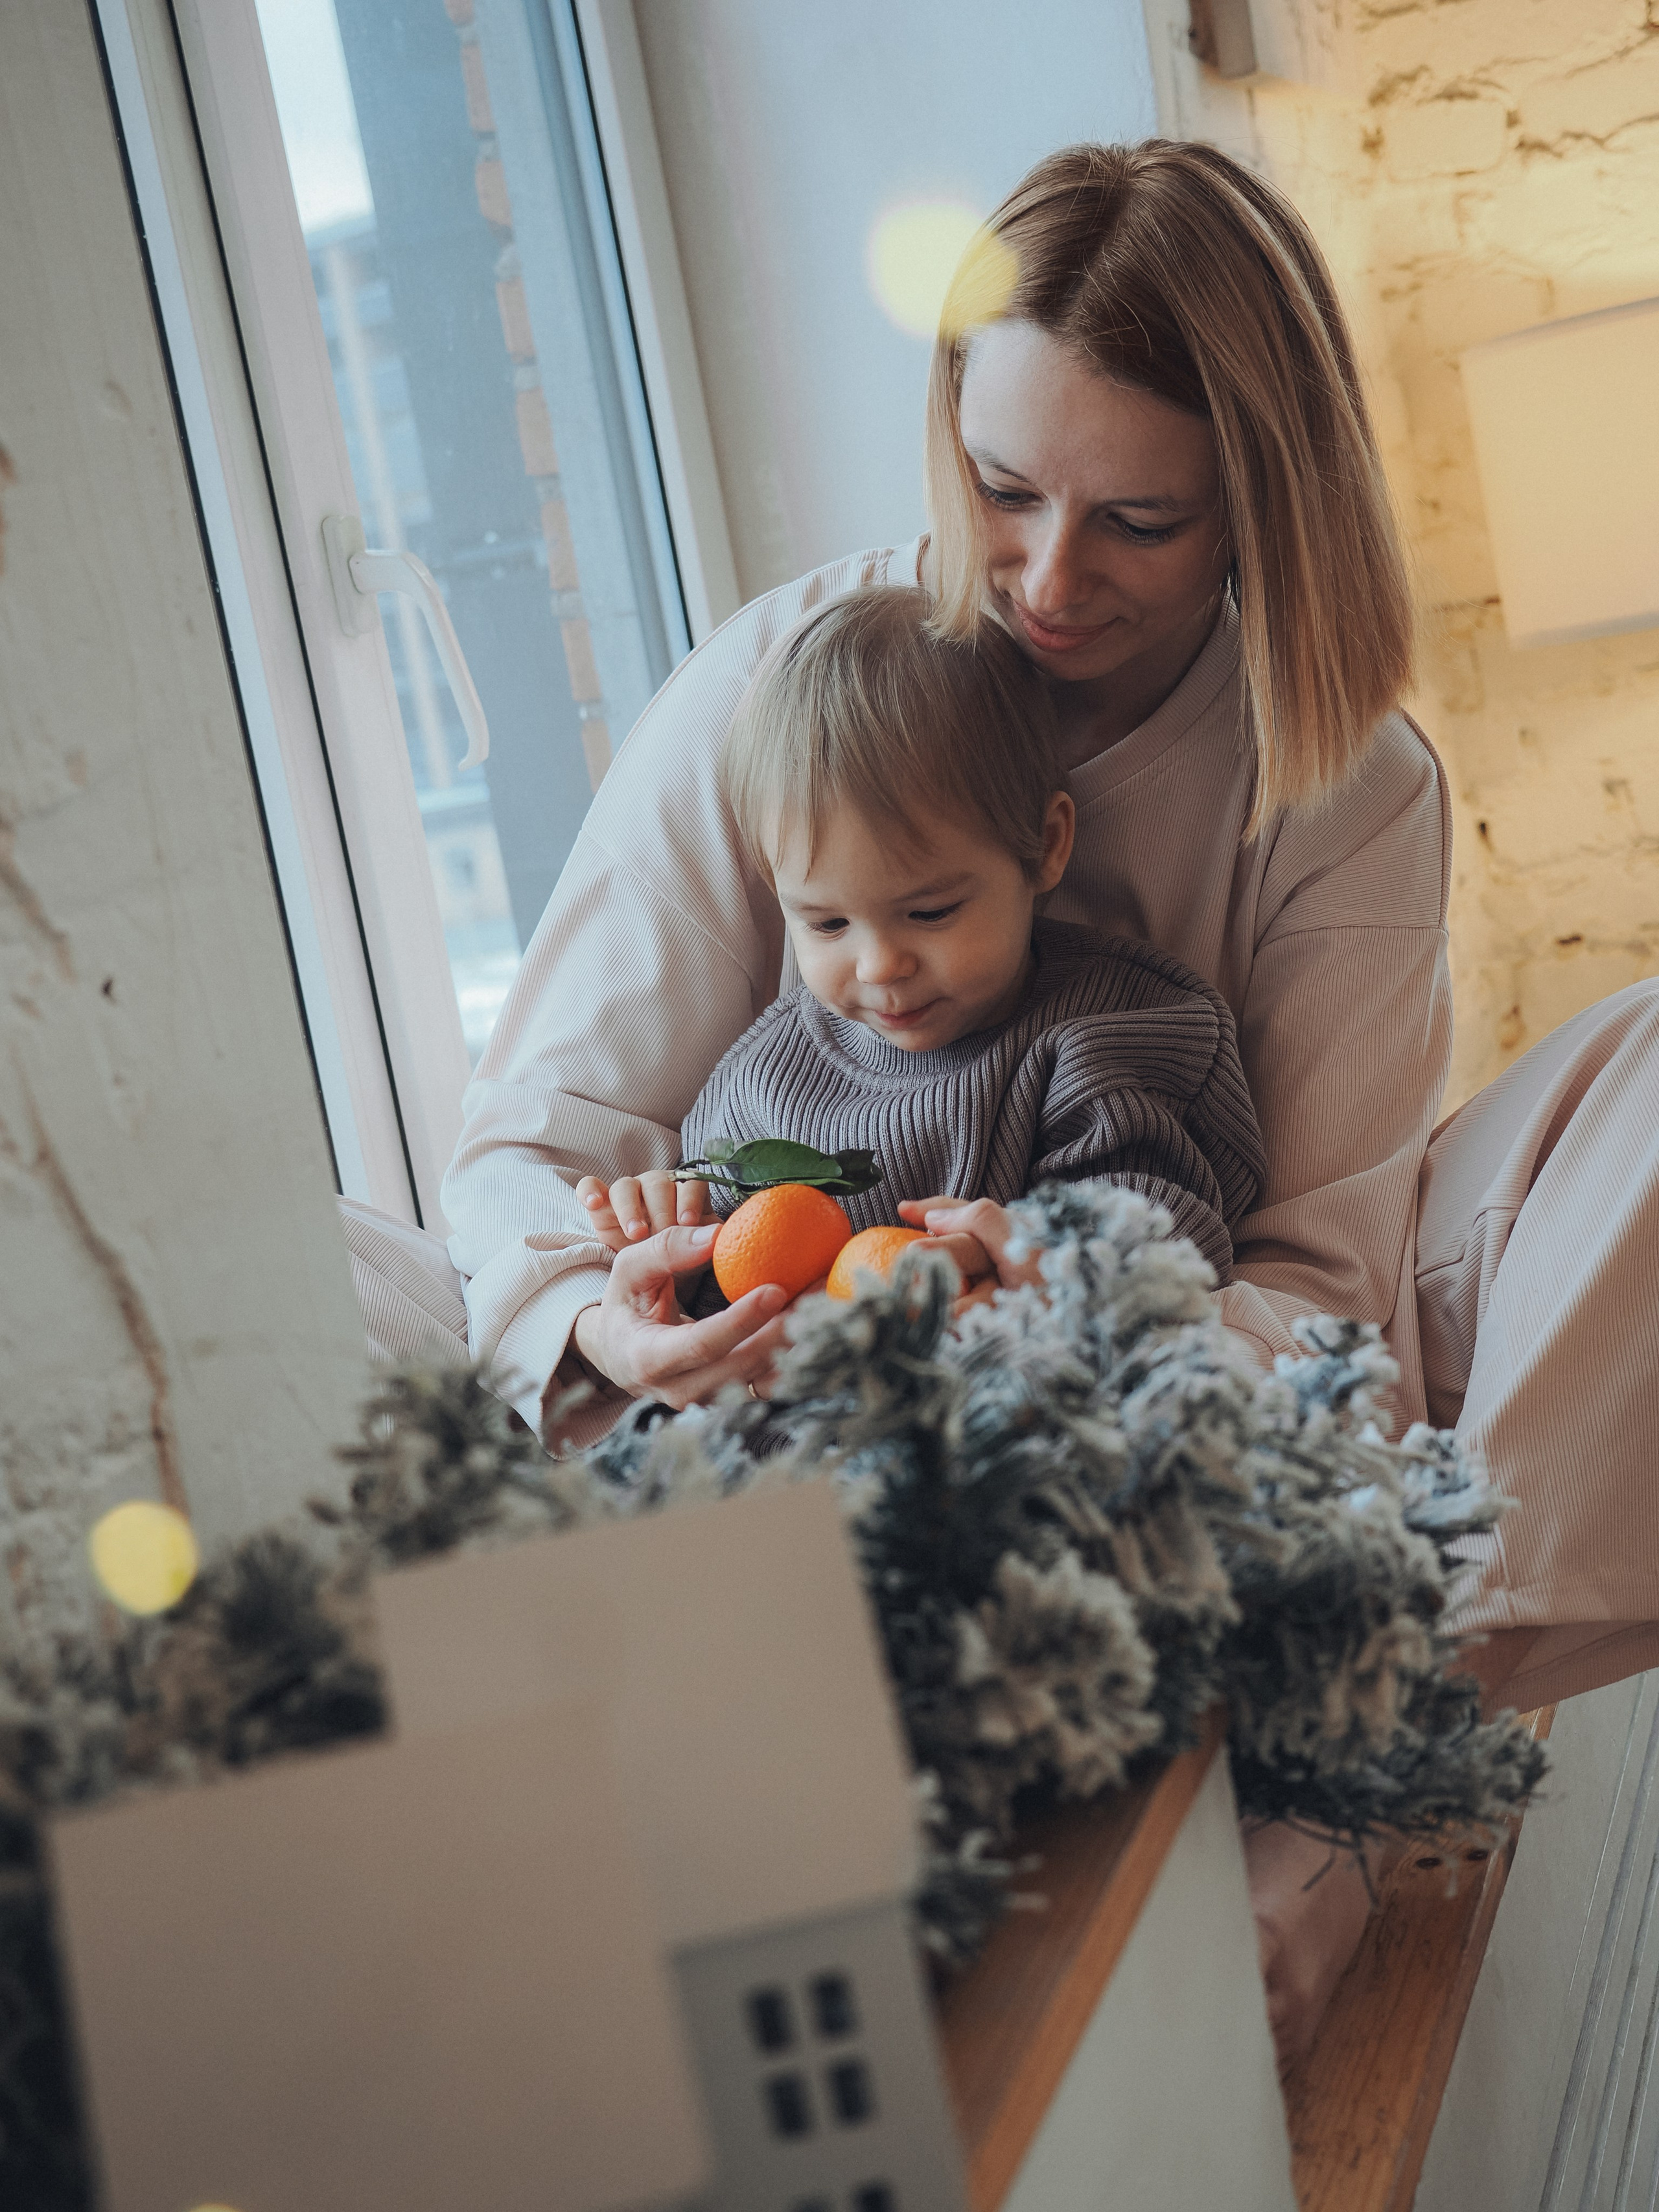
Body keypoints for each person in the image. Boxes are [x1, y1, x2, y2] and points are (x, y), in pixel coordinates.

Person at [341, 139, 1659, 2065]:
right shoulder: (788, 686)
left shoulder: (1340, 781)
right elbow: (530, 1149)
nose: (1049, 578)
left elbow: (1322, 1274)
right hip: (749, 1416)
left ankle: (1338, 1744)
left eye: (1137, 517)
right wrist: (601, 1313)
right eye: (1003, 489)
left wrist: (1068, 1329)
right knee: (294, 1268)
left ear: (1256, 513)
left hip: (1179, 1427)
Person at [574, 585, 1264, 1297]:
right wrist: (670, 1239)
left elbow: (1168, 1235)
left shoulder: (1112, 1032)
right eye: (827, 924)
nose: (880, 966)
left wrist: (1040, 1262)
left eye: (930, 912)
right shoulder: (764, 1080)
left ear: (1046, 845)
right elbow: (730, 1279)